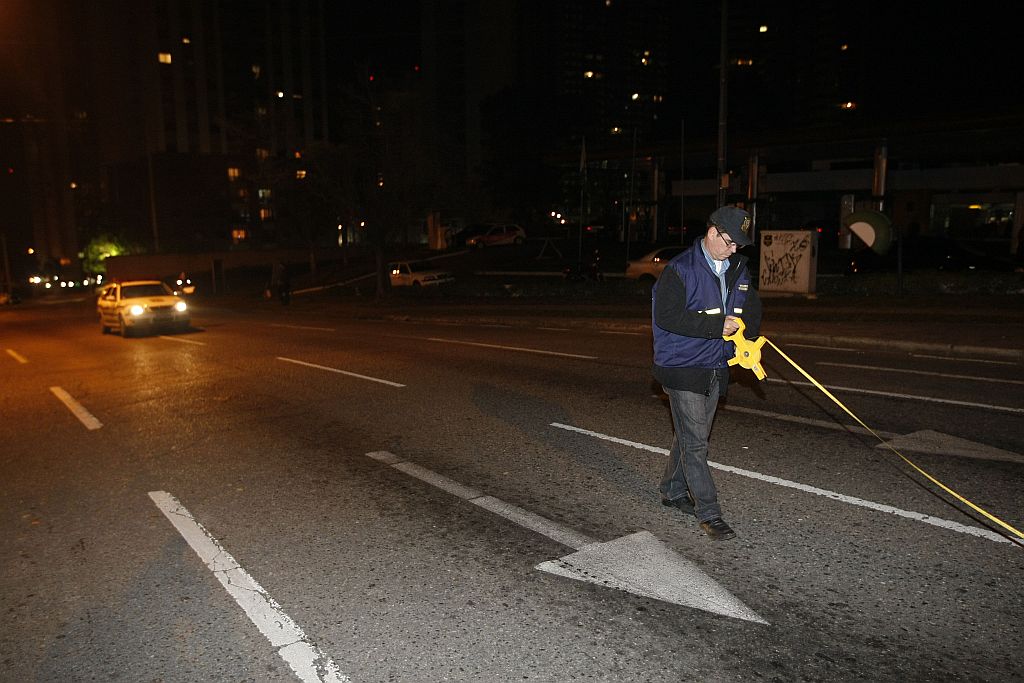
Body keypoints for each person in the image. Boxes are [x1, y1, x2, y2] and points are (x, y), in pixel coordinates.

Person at [651, 205, 762, 541]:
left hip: (717, 363)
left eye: (739, 245)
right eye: (730, 242)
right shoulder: (680, 269)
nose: (734, 250)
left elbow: (751, 307)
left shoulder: (737, 269)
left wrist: (750, 342)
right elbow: (668, 318)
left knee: (689, 435)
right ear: (712, 232)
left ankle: (671, 489)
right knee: (696, 442)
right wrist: (717, 326)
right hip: (682, 365)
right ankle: (709, 512)